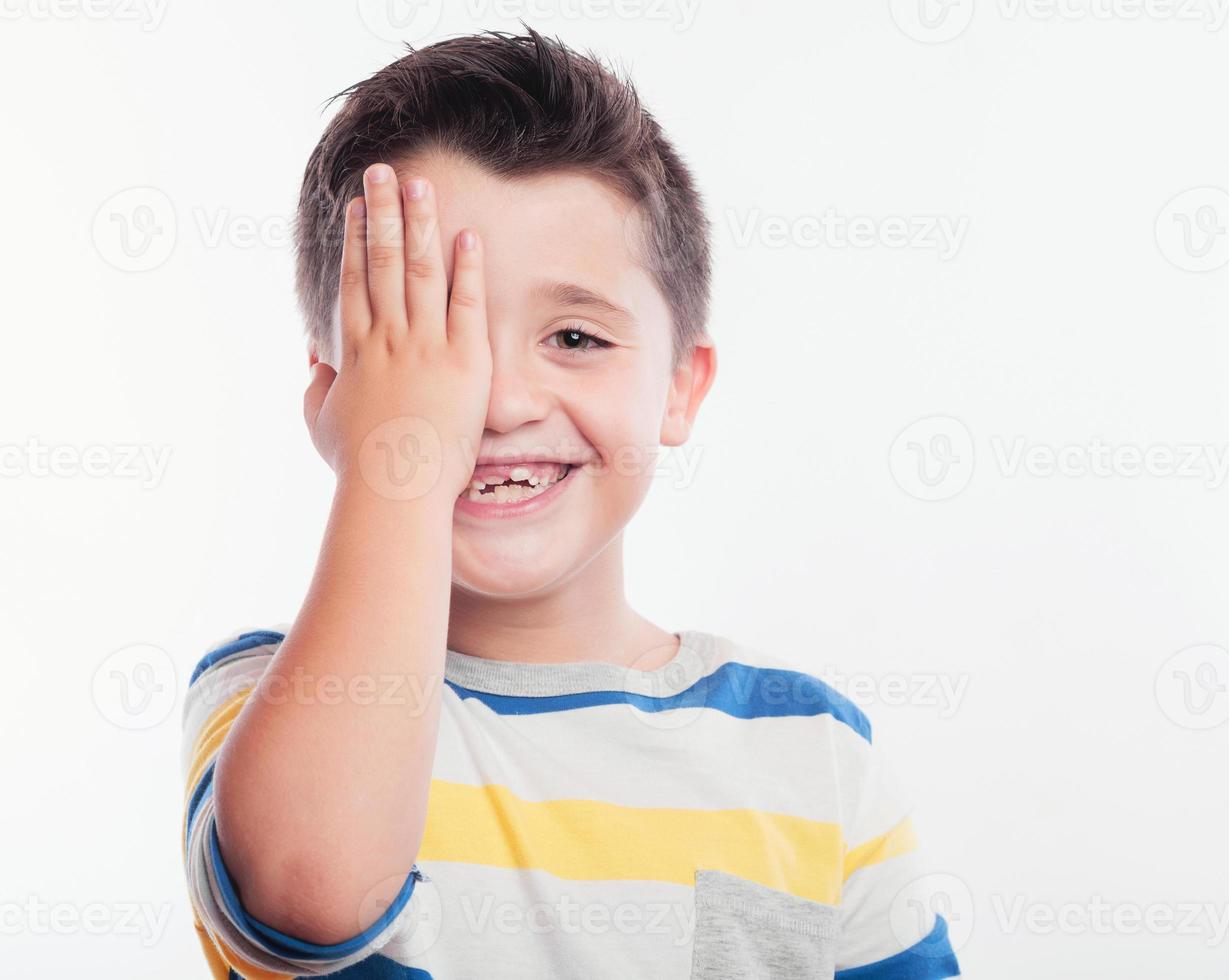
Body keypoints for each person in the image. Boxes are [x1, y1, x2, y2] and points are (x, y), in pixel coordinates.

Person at [179, 28, 961, 979]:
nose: (498, 402)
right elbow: (311, 893)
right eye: (426, 342)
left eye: (577, 337)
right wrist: (401, 456)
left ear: (680, 385)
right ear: (334, 395)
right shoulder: (274, 699)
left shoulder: (813, 753)